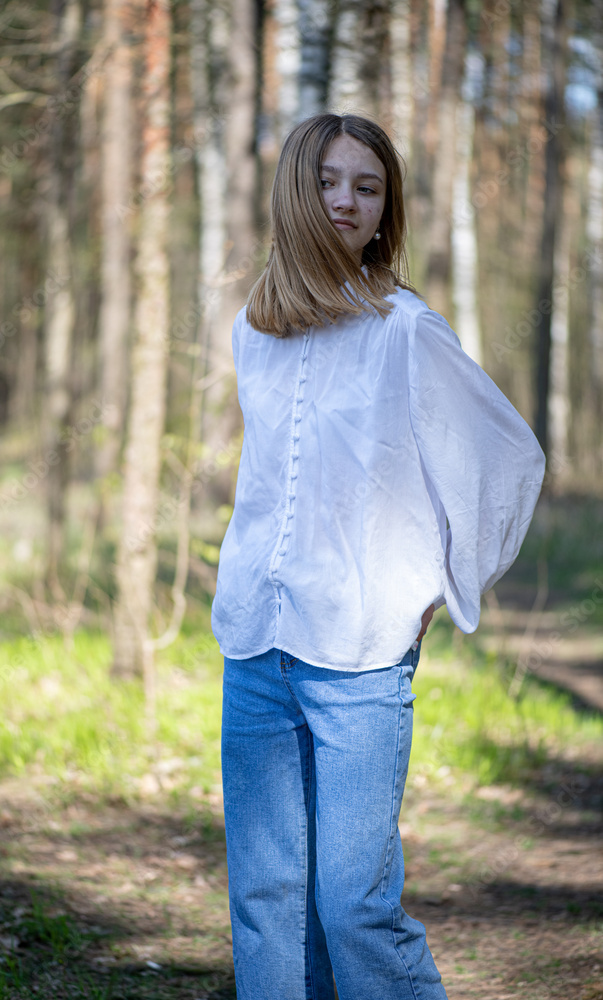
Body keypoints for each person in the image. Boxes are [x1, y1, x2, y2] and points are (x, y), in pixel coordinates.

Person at [210, 112, 545, 1000]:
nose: (346, 201)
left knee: (352, 905)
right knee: (265, 899)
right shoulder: (255, 327)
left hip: (358, 658)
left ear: (384, 205)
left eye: (367, 185)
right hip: (254, 642)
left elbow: (503, 456)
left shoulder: (405, 329)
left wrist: (442, 580)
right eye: (327, 181)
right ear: (294, 191)